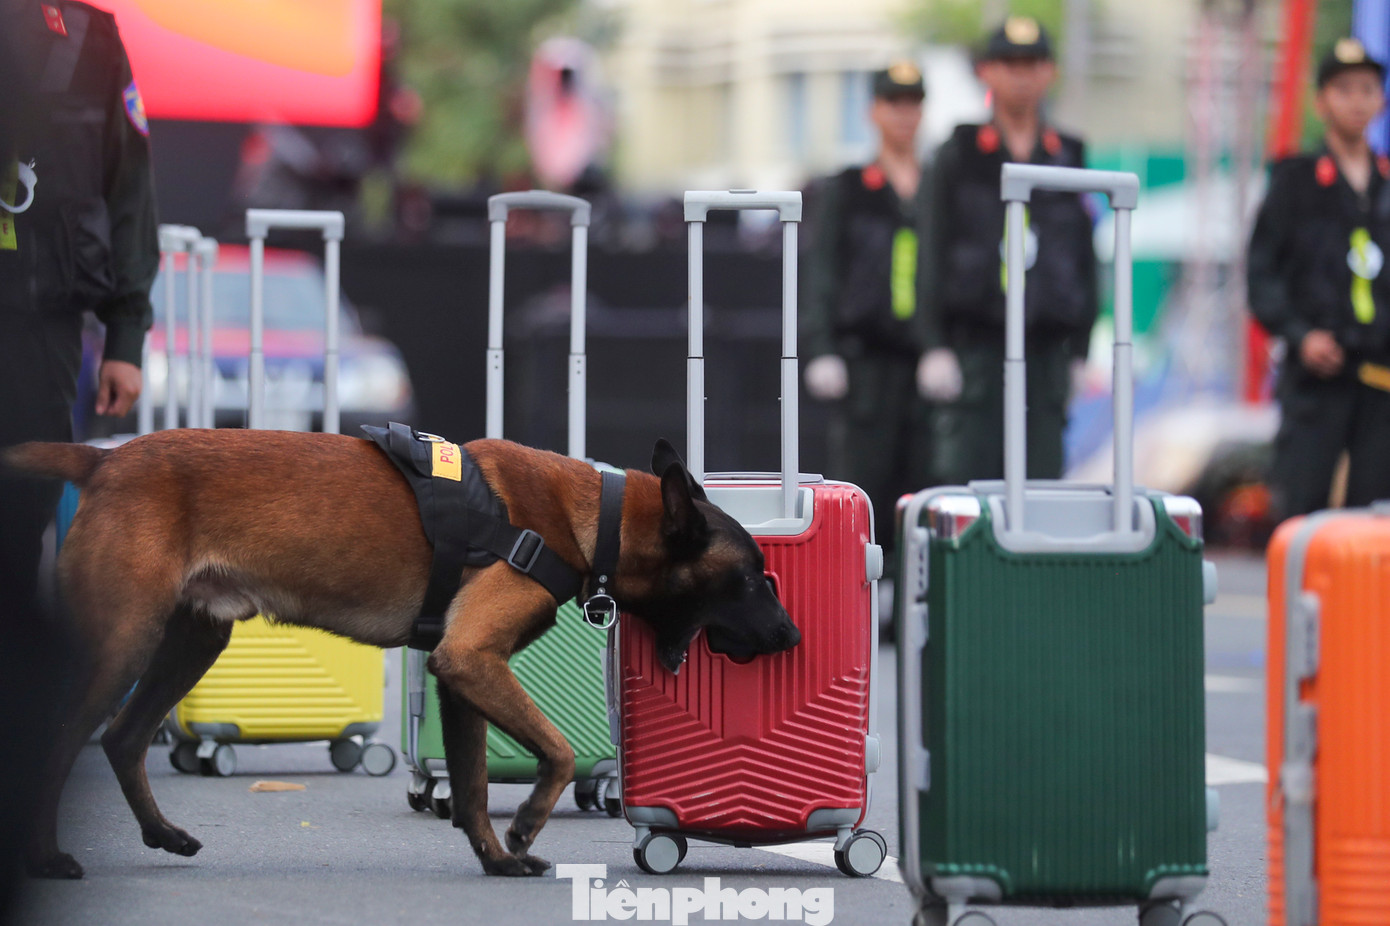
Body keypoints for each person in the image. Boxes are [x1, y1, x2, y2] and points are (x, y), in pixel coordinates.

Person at [0, 0, 156, 912]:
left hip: (44, 322)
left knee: (20, 548)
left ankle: (26, 803)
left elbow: (128, 179)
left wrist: (126, 331)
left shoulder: (92, 36)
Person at [917, 16, 1097, 485]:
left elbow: (1084, 256)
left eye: (1032, 63)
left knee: (1041, 487)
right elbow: (932, 250)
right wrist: (933, 345)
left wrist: (1080, 349)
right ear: (987, 71)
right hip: (977, 346)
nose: (1021, 75)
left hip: (1045, 350)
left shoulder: (1068, 153)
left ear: (1049, 72)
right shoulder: (960, 152)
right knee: (966, 488)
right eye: (1009, 63)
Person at [1247, 38, 1390, 518]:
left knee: (1375, 520)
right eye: (1343, 89)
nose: (1356, 100)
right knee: (1300, 509)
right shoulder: (1296, 180)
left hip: (1380, 377)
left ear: (1381, 101)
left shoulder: (1386, 183)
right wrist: (1300, 335)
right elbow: (1262, 272)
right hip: (1315, 376)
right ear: (1321, 101)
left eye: (1367, 89)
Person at [803, 60, 935, 535]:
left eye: (913, 103)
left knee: (925, 498)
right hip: (866, 366)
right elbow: (823, 272)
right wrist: (822, 348)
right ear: (874, 111)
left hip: (927, 367)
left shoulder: (937, 186)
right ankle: (863, 606)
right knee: (861, 496)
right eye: (893, 103)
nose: (904, 115)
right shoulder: (850, 188)